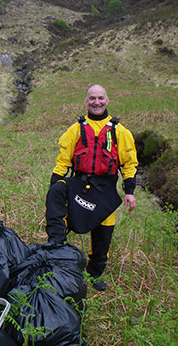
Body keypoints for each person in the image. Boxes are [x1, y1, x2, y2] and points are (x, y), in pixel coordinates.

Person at [45, 84, 138, 291]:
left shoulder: (119, 132)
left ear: (107, 101)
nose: (97, 102)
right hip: (80, 183)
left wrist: (129, 192)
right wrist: (54, 185)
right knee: (59, 192)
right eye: (92, 98)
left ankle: (94, 273)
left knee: (103, 236)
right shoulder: (76, 129)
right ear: (86, 102)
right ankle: (56, 253)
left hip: (105, 188)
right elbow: (63, 161)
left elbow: (129, 164)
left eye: (101, 98)